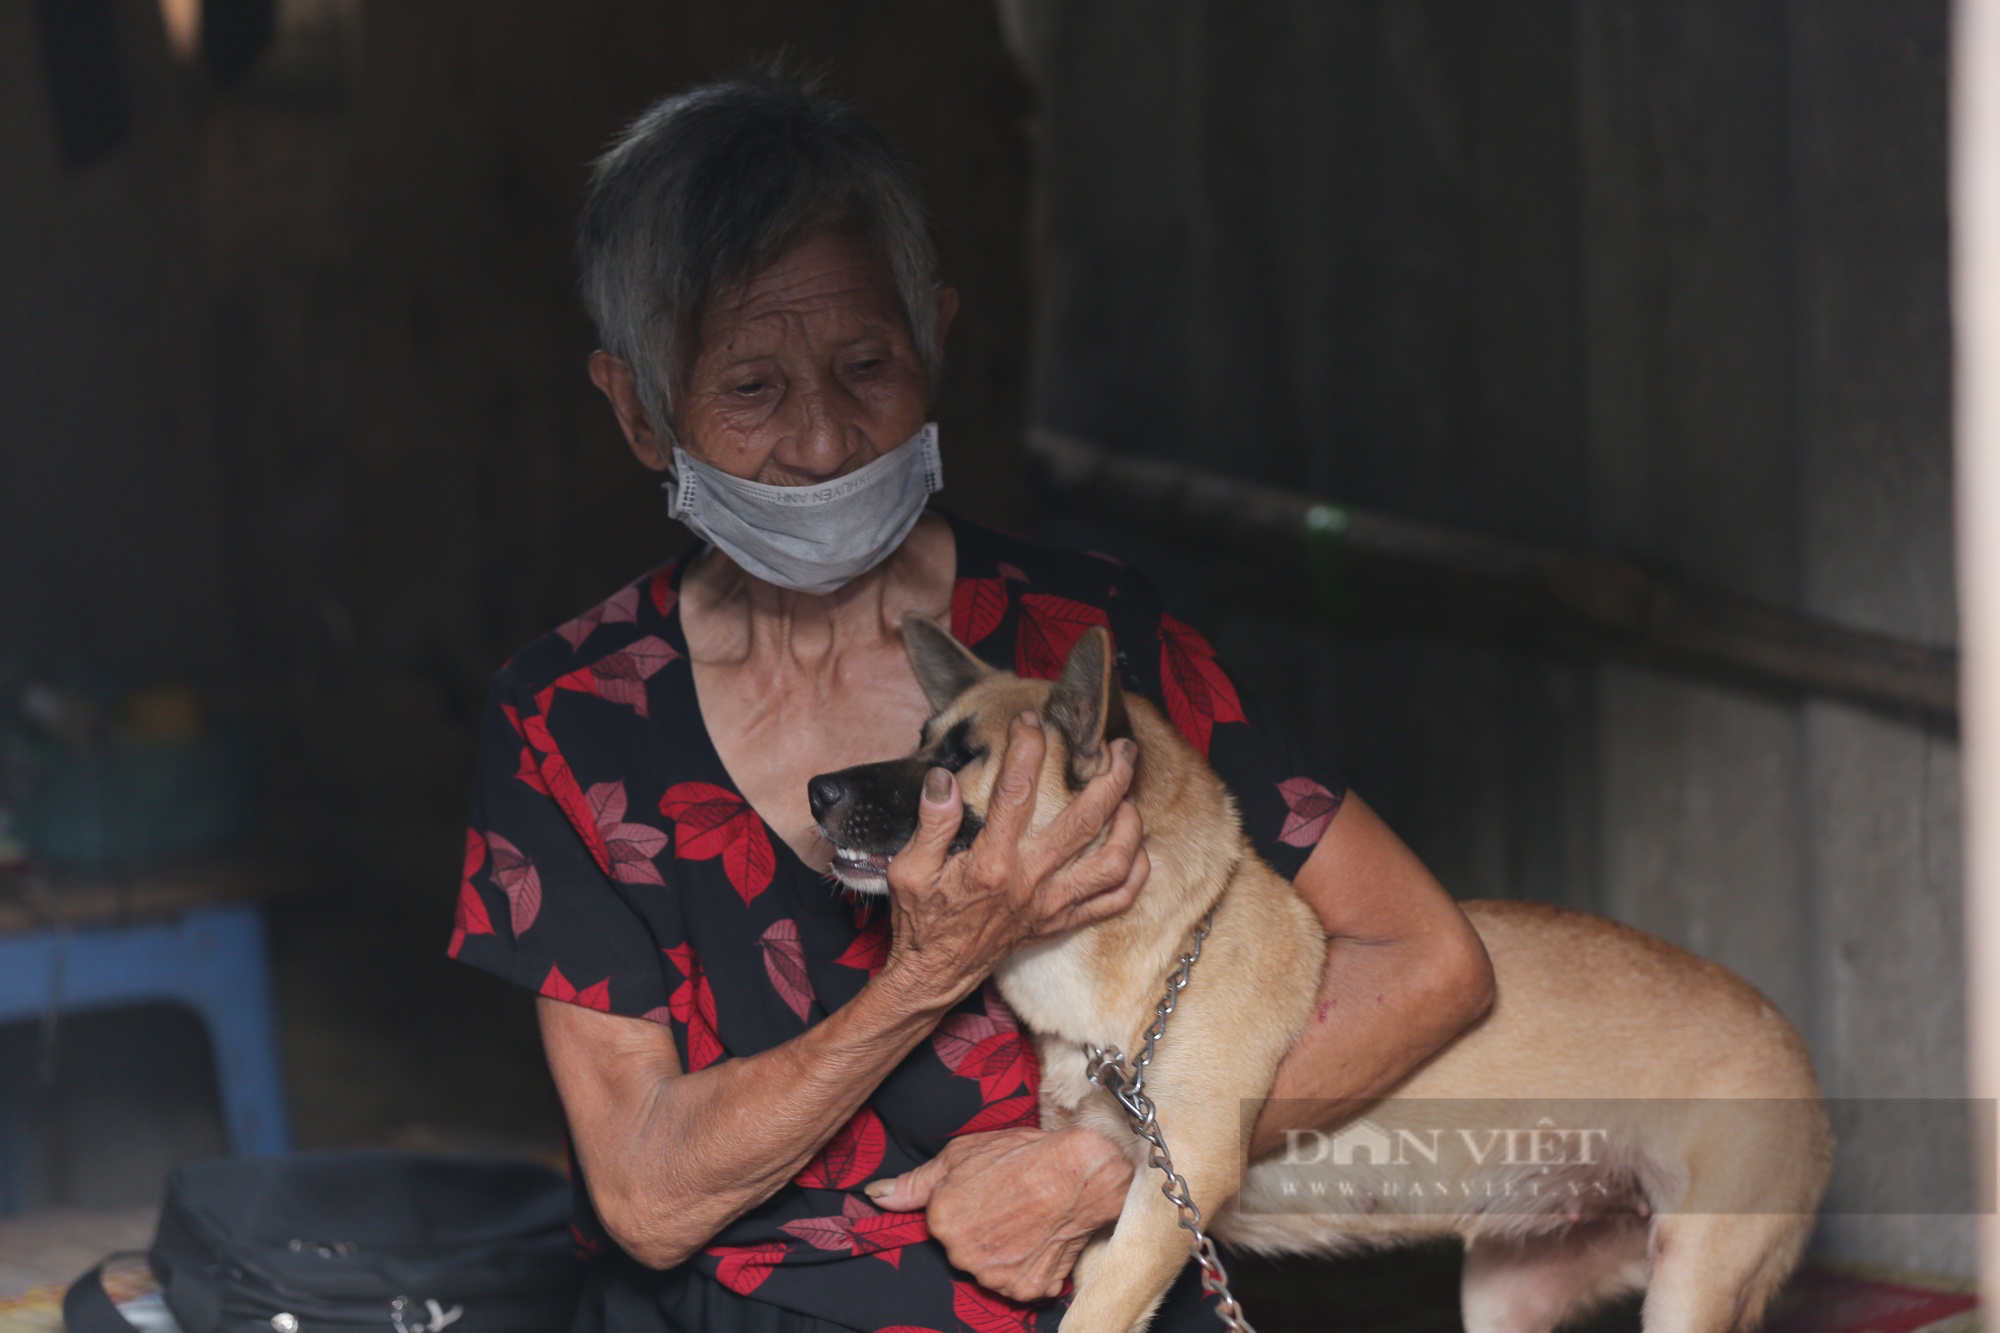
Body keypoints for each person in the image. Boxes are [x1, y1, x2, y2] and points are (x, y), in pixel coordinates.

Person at [449, 71, 1494, 1333]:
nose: (827, 442)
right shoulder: (572, 720)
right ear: (636, 412)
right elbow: (648, 1196)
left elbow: (1423, 962)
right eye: (748, 388)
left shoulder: (1084, 641)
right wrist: (931, 965)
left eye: (865, 364)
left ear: (935, 336)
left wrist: (1100, 1162)